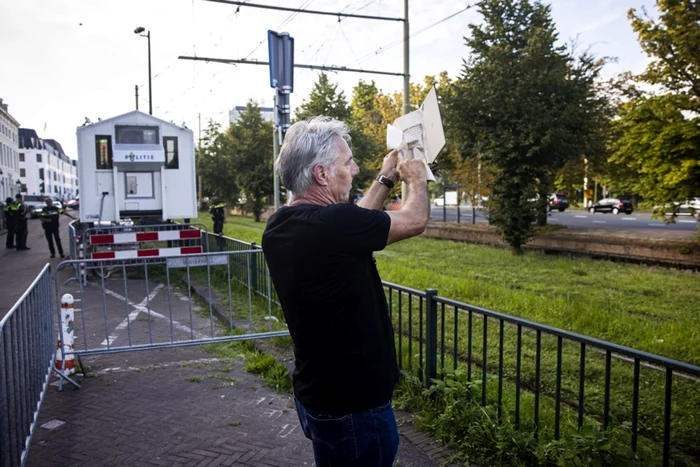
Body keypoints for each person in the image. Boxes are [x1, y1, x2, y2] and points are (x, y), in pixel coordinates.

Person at [261, 116, 430, 466]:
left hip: (319, 395)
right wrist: (416, 178)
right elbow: (414, 219)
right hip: (356, 406)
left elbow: (355, 222)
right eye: (347, 162)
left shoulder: (280, 225)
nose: (354, 169)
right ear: (322, 174)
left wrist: (385, 178)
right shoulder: (335, 226)